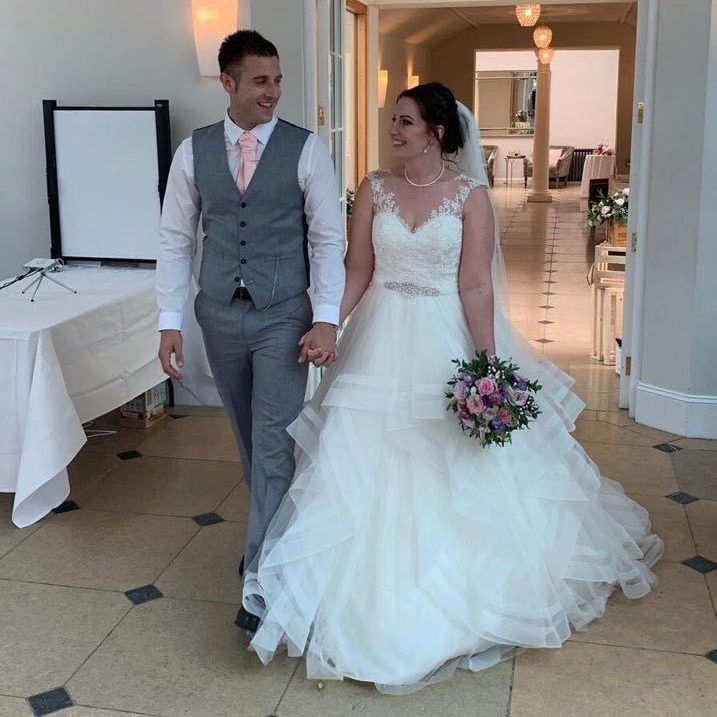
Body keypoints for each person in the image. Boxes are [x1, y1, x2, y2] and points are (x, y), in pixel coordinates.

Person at [241, 82, 663, 694]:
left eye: (406, 122)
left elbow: (475, 286)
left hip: (443, 338)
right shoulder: (374, 189)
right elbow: (358, 267)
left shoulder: (469, 197)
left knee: (450, 464)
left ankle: (455, 591)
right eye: (393, 121)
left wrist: (488, 366)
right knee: (366, 461)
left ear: (437, 131)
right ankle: (364, 590)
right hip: (380, 337)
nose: (394, 130)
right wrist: (331, 322)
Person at [155, 30, 346, 632]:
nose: (273, 92)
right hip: (218, 312)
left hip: (283, 313)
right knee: (246, 434)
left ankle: (262, 579)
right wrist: (169, 323)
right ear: (228, 83)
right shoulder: (193, 152)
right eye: (261, 81)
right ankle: (274, 535)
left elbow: (327, 238)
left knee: (272, 438)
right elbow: (175, 239)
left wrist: (326, 315)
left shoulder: (306, 148)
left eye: (278, 79)